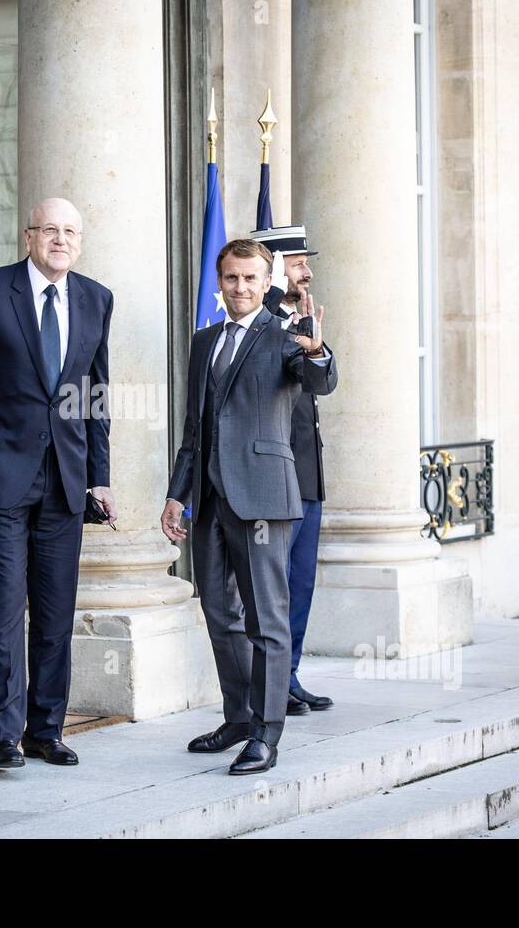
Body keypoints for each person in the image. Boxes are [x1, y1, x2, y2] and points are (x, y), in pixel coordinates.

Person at [0, 197, 115, 769]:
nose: (59, 239)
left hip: (65, 482)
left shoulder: (96, 299)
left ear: (81, 241)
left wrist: (100, 477)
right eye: (49, 230)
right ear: (28, 237)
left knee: (57, 612)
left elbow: (95, 396)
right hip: (0, 480)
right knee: (6, 609)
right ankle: (4, 734)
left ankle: (46, 729)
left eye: (70, 231)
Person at [161, 238, 337, 775]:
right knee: (219, 613)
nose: (240, 288)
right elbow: (196, 426)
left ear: (267, 284)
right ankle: (238, 717)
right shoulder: (204, 340)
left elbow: (321, 381)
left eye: (250, 279)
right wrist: (177, 493)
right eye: (231, 278)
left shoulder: (286, 336)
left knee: (267, 618)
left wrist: (317, 352)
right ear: (221, 282)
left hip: (263, 496)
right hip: (211, 499)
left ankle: (266, 732)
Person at [252, 224, 335, 715]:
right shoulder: (259, 322)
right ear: (277, 266)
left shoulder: (302, 319)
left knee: (300, 581)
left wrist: (317, 346)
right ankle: (268, 684)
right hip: (271, 478)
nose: (307, 271)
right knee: (272, 587)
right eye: (299, 262)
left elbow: (323, 384)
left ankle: (291, 674)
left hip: (306, 472)